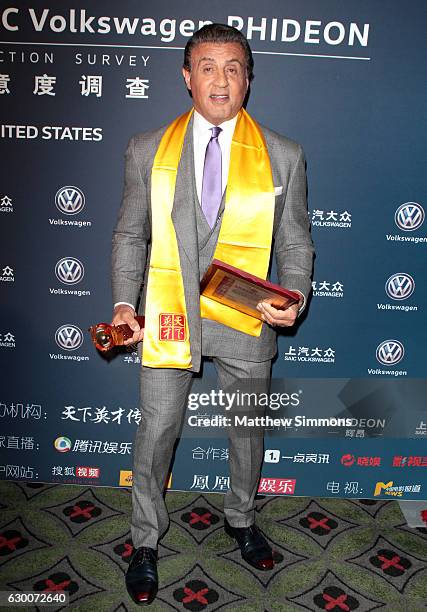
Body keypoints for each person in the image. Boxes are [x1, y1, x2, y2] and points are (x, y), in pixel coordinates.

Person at [111, 23, 314, 606]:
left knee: (247, 433)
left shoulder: (284, 155)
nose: (220, 79)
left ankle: (242, 519)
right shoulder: (147, 148)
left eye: (232, 67)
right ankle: (145, 540)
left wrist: (293, 295)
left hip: (247, 321)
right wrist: (126, 303)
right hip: (169, 317)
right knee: (156, 433)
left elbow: (297, 244)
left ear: (248, 78)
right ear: (186, 76)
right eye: (207, 66)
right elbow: (130, 233)